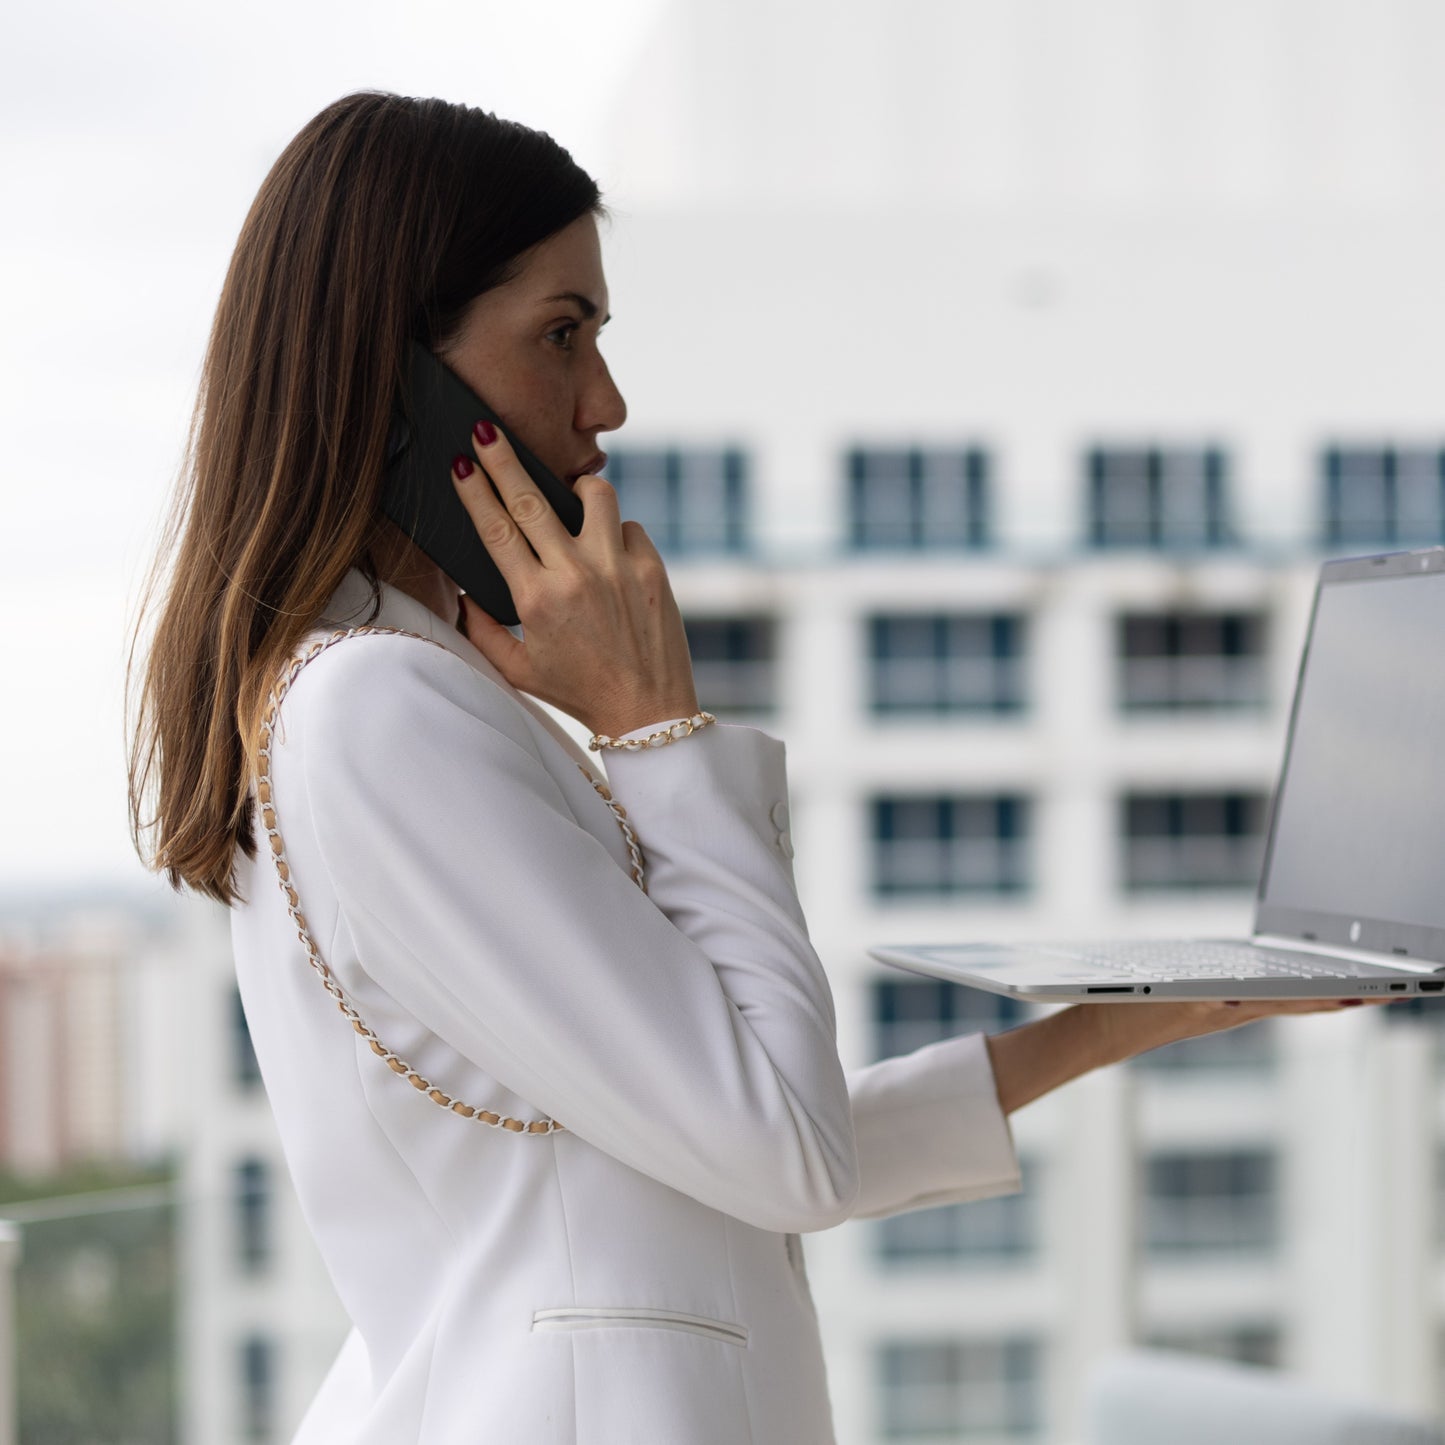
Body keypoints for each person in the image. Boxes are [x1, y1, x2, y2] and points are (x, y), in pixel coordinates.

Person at [127, 90, 1385, 1444]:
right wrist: (659, 732)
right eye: (562, 335)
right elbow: (774, 1144)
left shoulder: (394, 692)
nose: (604, 403)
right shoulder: (380, 711)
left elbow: (699, 1135)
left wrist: (1120, 1024)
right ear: (398, 380)